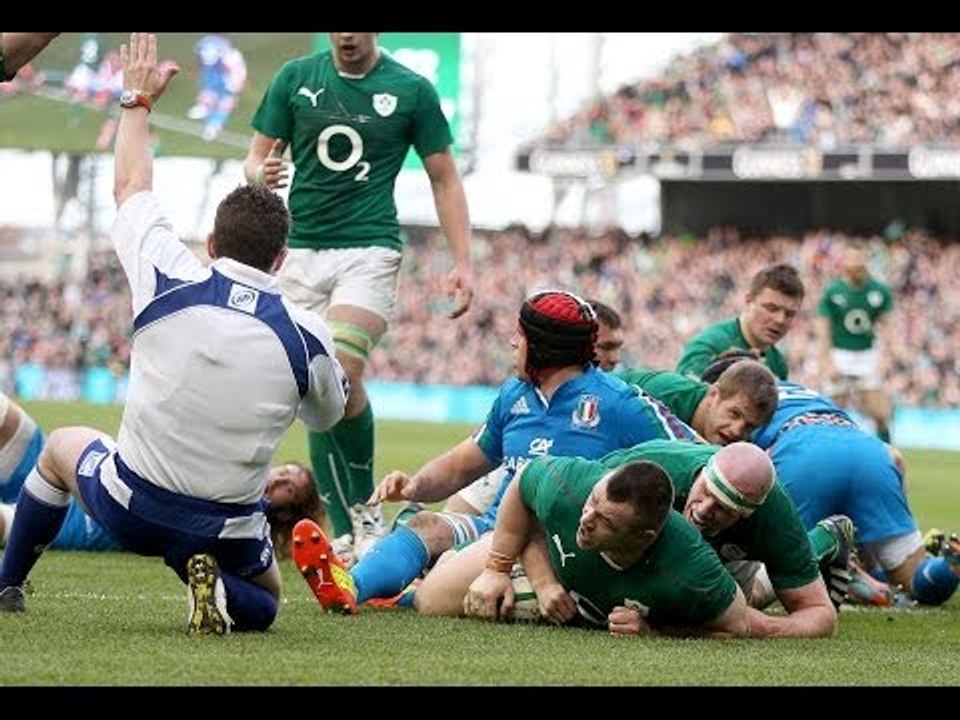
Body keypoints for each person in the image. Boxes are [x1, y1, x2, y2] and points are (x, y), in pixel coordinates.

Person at [0, 34, 349, 637]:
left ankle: (7, 584)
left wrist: (136, 101)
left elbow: (131, 188)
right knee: (265, 598)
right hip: (225, 528)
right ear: (280, 259)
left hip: (129, 508)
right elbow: (326, 418)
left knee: (60, 447)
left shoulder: (169, 274)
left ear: (211, 245)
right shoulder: (307, 334)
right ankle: (201, 575)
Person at [291, 289, 697, 614]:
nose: (511, 343)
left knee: (437, 592)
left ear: (543, 347)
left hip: (554, 545)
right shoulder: (514, 394)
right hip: (495, 526)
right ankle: (350, 586)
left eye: (519, 337)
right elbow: (463, 463)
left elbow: (693, 455)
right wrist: (414, 485)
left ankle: (408, 595)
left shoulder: (619, 403)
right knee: (425, 525)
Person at [244, 32, 474, 565]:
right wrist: (262, 172)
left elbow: (444, 177)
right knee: (317, 392)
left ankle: (367, 514)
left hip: (369, 248)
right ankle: (345, 527)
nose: (346, 35)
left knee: (343, 367)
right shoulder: (295, 79)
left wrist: (462, 262)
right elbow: (256, 160)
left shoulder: (411, 90)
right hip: (297, 252)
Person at [740, 372, 960, 608]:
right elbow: (894, 457)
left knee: (765, 581)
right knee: (915, 580)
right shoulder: (806, 392)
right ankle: (946, 566)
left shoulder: (745, 394)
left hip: (800, 458)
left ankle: (837, 565)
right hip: (870, 454)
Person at [463, 458, 749, 637]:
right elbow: (523, 481)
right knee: (433, 601)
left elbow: (737, 625)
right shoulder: (566, 486)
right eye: (592, 502)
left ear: (643, 536)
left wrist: (655, 631)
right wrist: (500, 569)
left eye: (607, 522)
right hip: (548, 562)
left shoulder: (690, 568)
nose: (585, 520)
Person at [596, 440, 841, 637]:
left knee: (744, 603)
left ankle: (825, 538)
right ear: (703, 472)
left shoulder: (773, 517)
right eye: (705, 491)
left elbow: (820, 614)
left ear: (746, 515)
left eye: (723, 508)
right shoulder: (649, 470)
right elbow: (566, 501)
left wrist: (764, 627)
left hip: (726, 559)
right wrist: (554, 582)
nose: (702, 510)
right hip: (648, 551)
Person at [441, 298, 627, 519]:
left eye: (618, 347)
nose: (615, 358)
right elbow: (462, 473)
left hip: (571, 532)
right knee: (444, 530)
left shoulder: (622, 398)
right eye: (605, 347)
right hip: (509, 525)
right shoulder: (519, 398)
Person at [1, 461, 324, 559]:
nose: (277, 478)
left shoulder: (246, 530)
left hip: (88, 519)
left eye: (288, 487)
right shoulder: (236, 468)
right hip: (90, 474)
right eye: (283, 470)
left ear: (285, 513)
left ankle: (10, 581)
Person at [816, 241, 895, 442]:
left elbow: (888, 327)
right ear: (845, 263)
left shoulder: (879, 291)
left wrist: (886, 356)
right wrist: (826, 361)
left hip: (867, 355)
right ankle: (827, 451)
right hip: (840, 354)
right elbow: (823, 330)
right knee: (832, 411)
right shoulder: (833, 291)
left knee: (880, 413)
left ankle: (887, 453)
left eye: (859, 260)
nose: (855, 265)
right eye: (852, 260)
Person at [676, 263, 805, 381]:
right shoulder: (708, 346)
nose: (780, 320)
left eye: (790, 314)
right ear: (749, 301)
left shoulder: (778, 363)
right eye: (771, 308)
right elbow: (682, 400)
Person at [617, 360, 779, 446]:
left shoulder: (741, 444)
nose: (737, 431)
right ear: (714, 393)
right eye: (734, 413)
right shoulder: (661, 395)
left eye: (749, 426)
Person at [187, 34, 247, 141]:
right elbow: (225, 62)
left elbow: (198, 56)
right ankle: (211, 121)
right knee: (222, 101)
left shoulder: (206, 41)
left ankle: (209, 118)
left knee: (217, 97)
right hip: (221, 77)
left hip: (215, 75)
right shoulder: (224, 45)